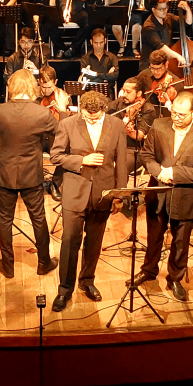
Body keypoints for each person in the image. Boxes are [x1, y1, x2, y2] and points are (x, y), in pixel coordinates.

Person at [0, 70, 60, 279]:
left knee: (4, 220)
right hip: (32, 175)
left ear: (11, 87)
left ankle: (8, 266)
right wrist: (63, 111)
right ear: (32, 87)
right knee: (39, 219)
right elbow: (60, 133)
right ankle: (44, 263)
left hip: (5, 174)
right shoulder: (41, 113)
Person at [130, 92, 193, 301]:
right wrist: (158, 172)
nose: (176, 117)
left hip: (186, 197)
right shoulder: (158, 125)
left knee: (180, 242)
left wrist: (172, 173)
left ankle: (175, 278)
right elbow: (146, 155)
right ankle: (149, 270)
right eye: (174, 112)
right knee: (153, 237)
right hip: (158, 193)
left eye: (182, 115)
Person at [50, 90, 127, 311]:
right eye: (87, 114)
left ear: (104, 109)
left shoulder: (117, 125)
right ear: (81, 108)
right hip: (75, 192)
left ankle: (87, 281)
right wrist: (81, 160)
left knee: (94, 244)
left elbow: (121, 163)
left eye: (96, 116)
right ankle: (64, 289)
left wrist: (119, 195)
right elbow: (55, 156)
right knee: (69, 241)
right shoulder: (67, 124)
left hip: (102, 193)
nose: (91, 118)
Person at [107, 74, 156, 179]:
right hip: (114, 145)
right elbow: (106, 118)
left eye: (128, 92)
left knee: (121, 166)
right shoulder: (119, 103)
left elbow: (139, 136)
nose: (124, 94)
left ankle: (122, 194)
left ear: (138, 93)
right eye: (123, 91)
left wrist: (128, 119)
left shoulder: (147, 109)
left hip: (133, 149)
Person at [140, 0, 193, 69]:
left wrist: (187, 9)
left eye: (166, 8)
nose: (165, 11)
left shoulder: (168, 17)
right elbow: (160, 46)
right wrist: (178, 56)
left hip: (164, 64)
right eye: (161, 9)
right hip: (150, 66)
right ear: (153, 10)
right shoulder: (149, 26)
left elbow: (187, 23)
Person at [144, 49, 182, 116]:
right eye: (152, 68)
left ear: (166, 65)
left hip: (167, 119)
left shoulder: (177, 83)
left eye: (159, 68)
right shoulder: (145, 75)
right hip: (148, 118)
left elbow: (180, 109)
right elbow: (134, 82)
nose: (155, 72)